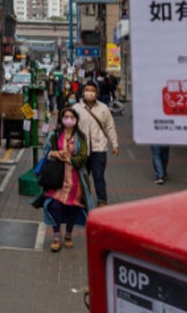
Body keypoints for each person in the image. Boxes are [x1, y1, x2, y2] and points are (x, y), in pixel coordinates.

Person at [32, 106, 92, 252]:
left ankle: (69, 235)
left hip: (75, 179)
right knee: (54, 205)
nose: (69, 120)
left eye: (72, 117)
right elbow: (46, 151)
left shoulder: (81, 137)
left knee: (72, 206)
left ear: (76, 120)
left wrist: (70, 159)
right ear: (61, 119)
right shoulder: (54, 134)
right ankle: (57, 236)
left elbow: (84, 156)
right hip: (56, 177)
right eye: (66, 117)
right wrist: (57, 154)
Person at [73, 83, 119, 206]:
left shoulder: (103, 108)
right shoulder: (76, 108)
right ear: (83, 92)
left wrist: (115, 144)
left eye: (92, 90)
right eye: (87, 90)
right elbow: (70, 127)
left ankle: (101, 201)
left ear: (97, 93)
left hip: (99, 149)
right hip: (81, 150)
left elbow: (110, 127)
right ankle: (82, 201)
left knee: (98, 176)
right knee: (82, 177)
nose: (90, 93)